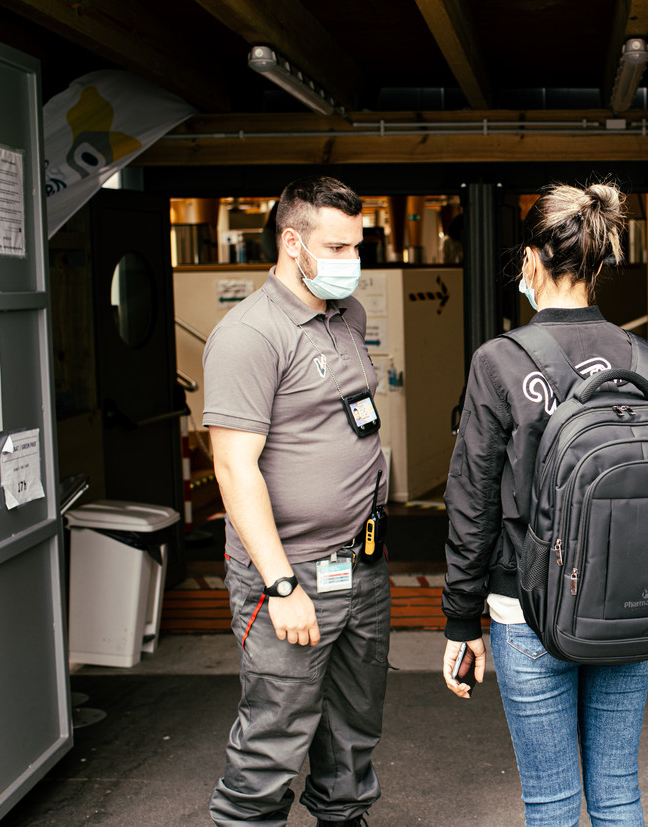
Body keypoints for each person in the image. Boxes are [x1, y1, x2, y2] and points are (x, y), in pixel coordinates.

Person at [441, 181, 648, 826]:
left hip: (529, 605)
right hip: (630, 602)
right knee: (619, 792)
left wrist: (462, 621)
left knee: (551, 803)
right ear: (597, 266)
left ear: (533, 259)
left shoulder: (499, 363)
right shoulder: (644, 361)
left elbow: (473, 502)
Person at [204, 175, 389, 827]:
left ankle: (344, 817)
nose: (351, 261)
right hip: (288, 573)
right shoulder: (249, 334)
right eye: (336, 247)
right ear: (291, 241)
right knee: (275, 734)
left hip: (360, 563)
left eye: (357, 246)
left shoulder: (348, 316)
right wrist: (282, 586)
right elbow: (233, 468)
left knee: (352, 727)